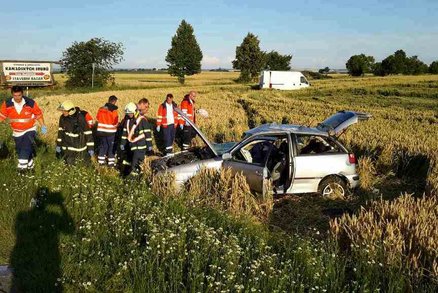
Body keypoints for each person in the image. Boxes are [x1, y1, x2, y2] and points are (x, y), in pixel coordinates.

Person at [0, 86, 47, 172]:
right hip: (17, 132)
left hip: (30, 129)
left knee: (26, 146)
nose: (17, 98)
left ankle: (22, 168)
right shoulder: (7, 104)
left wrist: (43, 126)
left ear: (22, 94)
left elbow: (38, 114)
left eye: (19, 95)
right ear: (12, 94)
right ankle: (31, 166)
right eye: (15, 95)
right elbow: (1, 116)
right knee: (20, 149)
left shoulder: (30, 103)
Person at [56, 101, 94, 165]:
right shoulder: (62, 118)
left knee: (83, 165)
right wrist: (59, 145)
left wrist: (90, 148)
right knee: (69, 165)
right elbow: (60, 132)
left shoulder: (80, 118)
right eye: (62, 111)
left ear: (71, 111)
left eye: (64, 111)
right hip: (68, 147)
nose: (63, 112)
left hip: (80, 147)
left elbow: (88, 133)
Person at [126, 98, 153, 176]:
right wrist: (149, 145)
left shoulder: (133, 116)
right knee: (137, 162)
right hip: (139, 145)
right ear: (141, 104)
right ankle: (134, 177)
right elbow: (147, 134)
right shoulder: (140, 118)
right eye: (146, 106)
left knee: (133, 160)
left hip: (132, 144)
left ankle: (132, 174)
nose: (147, 109)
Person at [96, 95, 119, 166]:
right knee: (111, 146)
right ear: (114, 101)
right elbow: (115, 122)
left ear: (108, 100)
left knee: (103, 146)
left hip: (100, 131)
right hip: (110, 132)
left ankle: (101, 162)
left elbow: (97, 117)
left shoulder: (101, 109)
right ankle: (111, 163)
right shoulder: (114, 110)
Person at [119, 102, 137, 176]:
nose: (129, 115)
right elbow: (124, 132)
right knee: (127, 159)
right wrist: (122, 143)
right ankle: (125, 173)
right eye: (128, 114)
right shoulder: (127, 120)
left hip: (136, 144)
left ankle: (134, 174)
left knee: (135, 159)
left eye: (130, 113)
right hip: (129, 143)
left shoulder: (138, 120)